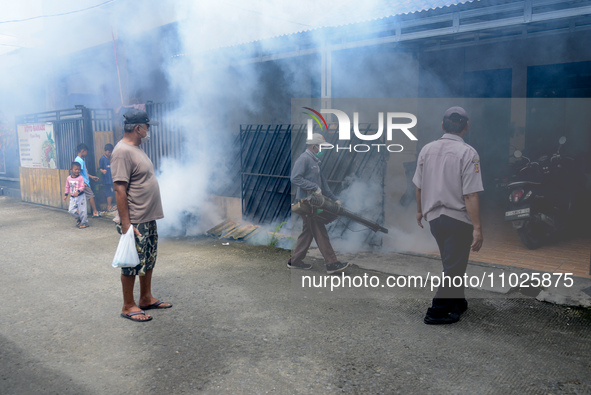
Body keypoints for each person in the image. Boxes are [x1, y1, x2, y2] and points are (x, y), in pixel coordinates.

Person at [413, 106, 484, 325]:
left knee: (453, 264)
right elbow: (470, 194)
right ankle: (437, 311)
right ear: (466, 127)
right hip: (457, 220)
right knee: (453, 267)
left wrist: (419, 210)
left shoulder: (427, 149)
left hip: (435, 219)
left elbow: (419, 186)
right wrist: (477, 228)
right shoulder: (468, 153)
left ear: (443, 126)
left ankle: (458, 302)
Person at [111, 109, 171, 322]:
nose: (148, 131)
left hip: (147, 216)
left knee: (148, 259)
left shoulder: (136, 148)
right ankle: (128, 305)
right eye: (146, 127)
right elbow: (119, 188)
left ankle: (145, 298)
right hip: (135, 218)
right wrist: (126, 224)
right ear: (138, 128)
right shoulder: (121, 151)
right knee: (132, 261)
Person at [289, 133, 349, 274]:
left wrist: (334, 199)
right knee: (320, 230)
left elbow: (324, 186)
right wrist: (313, 187)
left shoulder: (315, 162)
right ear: (314, 146)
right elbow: (295, 178)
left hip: (315, 203)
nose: (322, 149)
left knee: (308, 233)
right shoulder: (304, 159)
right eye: (320, 146)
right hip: (307, 203)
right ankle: (331, 263)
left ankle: (294, 261)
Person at [75, 143, 103, 218]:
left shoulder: (79, 160)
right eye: (86, 152)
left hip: (84, 181)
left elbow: (84, 172)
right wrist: (82, 182)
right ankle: (95, 212)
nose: (87, 154)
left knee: (82, 198)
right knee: (91, 196)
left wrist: (91, 177)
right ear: (83, 151)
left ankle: (79, 212)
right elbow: (77, 173)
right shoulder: (79, 160)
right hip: (84, 183)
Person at [63, 161, 88, 229]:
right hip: (73, 197)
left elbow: (82, 186)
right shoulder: (68, 178)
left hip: (81, 196)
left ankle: (84, 223)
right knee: (71, 210)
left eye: (79, 169)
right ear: (71, 169)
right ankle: (79, 217)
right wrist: (66, 195)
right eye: (76, 169)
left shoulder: (81, 178)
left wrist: (78, 191)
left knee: (83, 210)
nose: (77, 171)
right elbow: (67, 186)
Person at [99, 143, 116, 212]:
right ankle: (109, 206)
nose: (110, 153)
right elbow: (100, 168)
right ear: (105, 151)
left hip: (113, 178)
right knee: (109, 192)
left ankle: (115, 205)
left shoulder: (112, 158)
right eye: (109, 152)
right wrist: (103, 171)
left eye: (111, 152)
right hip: (107, 180)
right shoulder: (102, 159)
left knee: (115, 191)